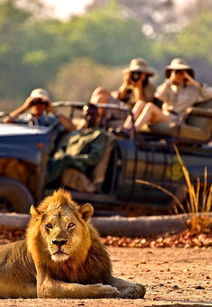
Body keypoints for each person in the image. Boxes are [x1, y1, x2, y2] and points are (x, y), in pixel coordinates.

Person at [123, 58, 212, 131]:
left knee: (150, 106)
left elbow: (210, 93)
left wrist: (193, 82)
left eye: (180, 72)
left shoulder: (193, 91)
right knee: (140, 103)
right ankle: (125, 129)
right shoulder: (168, 87)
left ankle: (131, 132)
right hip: (163, 115)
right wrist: (169, 81)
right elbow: (158, 95)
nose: (178, 75)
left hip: (176, 119)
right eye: (175, 71)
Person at [46, 104, 108, 192]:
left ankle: (43, 184)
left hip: (80, 165)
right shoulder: (75, 133)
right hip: (63, 161)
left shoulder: (99, 135)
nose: (89, 117)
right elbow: (61, 149)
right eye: (87, 114)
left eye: (93, 115)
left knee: (65, 158)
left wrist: (72, 159)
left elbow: (94, 158)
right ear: (83, 115)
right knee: (47, 159)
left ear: (98, 117)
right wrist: (58, 158)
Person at [90, 58, 156, 126]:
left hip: (131, 113)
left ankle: (96, 123)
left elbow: (140, 105)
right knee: (100, 91)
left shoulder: (149, 88)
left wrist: (138, 87)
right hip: (120, 107)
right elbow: (118, 97)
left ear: (145, 75)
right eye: (134, 73)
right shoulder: (129, 84)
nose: (136, 75)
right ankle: (90, 116)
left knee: (101, 99)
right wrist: (126, 83)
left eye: (139, 73)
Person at [3, 88, 75, 131]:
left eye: (42, 102)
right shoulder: (23, 119)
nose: (38, 105)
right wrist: (24, 107)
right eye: (35, 102)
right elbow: (6, 122)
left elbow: (71, 127)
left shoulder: (52, 121)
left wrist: (53, 110)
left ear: (46, 104)